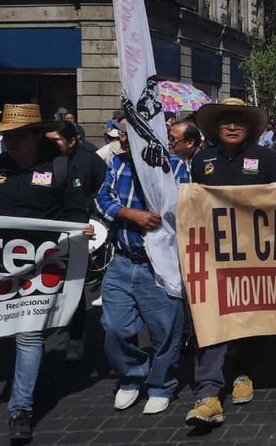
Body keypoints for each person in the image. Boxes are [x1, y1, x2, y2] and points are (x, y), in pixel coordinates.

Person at [0, 104, 94, 443]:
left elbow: (75, 211)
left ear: (34, 135)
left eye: (17, 136)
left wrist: (79, 231)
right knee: (11, 328)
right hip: (0, 264)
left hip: (43, 265)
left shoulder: (60, 168)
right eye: (5, 136)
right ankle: (36, 378)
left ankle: (21, 409)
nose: (9, 143)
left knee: (27, 334)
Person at [185, 98, 276, 428]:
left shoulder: (265, 158)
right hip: (212, 254)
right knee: (210, 316)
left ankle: (244, 371)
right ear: (215, 127)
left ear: (249, 126)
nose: (232, 125)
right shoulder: (201, 160)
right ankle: (208, 393)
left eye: (239, 120)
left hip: (254, 254)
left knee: (250, 318)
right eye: (226, 120)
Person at [95, 123, 189, 417]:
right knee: (115, 327)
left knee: (165, 331)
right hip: (122, 261)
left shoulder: (173, 165)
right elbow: (102, 200)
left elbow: (184, 206)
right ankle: (132, 375)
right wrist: (129, 214)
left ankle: (162, 384)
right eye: (119, 132)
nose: (121, 137)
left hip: (158, 265)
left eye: (128, 132)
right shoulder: (117, 163)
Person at [57, 120, 108, 363]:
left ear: (74, 140)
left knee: (78, 284)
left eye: (58, 140)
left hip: (86, 232)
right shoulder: (47, 162)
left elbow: (105, 191)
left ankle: (79, 336)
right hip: (57, 235)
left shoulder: (90, 160)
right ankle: (69, 330)